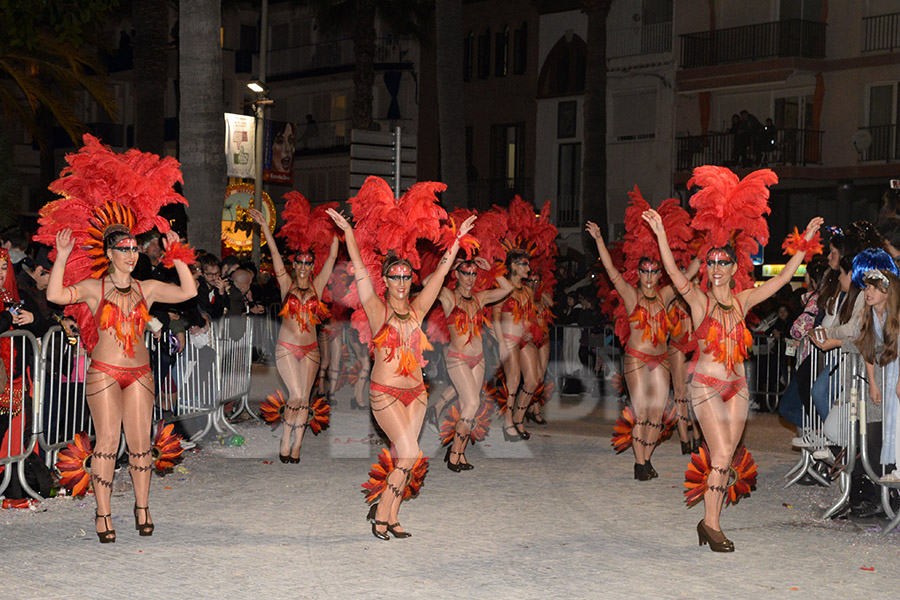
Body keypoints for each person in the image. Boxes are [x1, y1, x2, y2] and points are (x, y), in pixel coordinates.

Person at [643, 165, 822, 552]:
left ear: (733, 267)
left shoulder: (742, 301)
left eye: (725, 262)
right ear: (705, 267)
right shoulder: (698, 300)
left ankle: (709, 523)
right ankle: (712, 524)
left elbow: (780, 280)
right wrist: (660, 234)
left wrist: (804, 242)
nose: (719, 268)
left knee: (728, 456)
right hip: (706, 386)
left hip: (737, 386)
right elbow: (674, 274)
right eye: (712, 262)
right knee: (721, 453)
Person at [35, 134, 198, 544]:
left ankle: (142, 508)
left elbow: (189, 293)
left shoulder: (148, 288)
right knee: (107, 442)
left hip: (140, 373)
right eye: (122, 248)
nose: (130, 254)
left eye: (133, 248)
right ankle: (103, 514)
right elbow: (55, 296)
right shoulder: (93, 287)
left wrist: (177, 257)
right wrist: (59, 255)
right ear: (108, 253)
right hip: (105, 372)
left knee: (141, 443)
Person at [326, 184, 475, 540]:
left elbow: (439, 276)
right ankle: (380, 514)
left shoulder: (419, 307)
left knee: (405, 458)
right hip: (385, 393)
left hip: (417, 393)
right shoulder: (377, 311)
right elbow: (360, 270)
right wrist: (347, 233)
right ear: (387, 281)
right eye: (396, 277)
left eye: (408, 276)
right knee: (410, 452)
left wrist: (456, 243)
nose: (403, 282)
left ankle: (389, 516)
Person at [587, 190, 694, 479]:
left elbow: (690, 273)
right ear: (638, 273)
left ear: (660, 274)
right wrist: (598, 240)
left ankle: (645, 459)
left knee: (657, 416)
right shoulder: (631, 295)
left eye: (654, 271)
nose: (648, 276)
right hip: (636, 358)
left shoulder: (666, 295)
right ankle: (638, 463)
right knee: (642, 412)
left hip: (661, 359)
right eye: (644, 271)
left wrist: (711, 244)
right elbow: (610, 270)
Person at [249, 192, 339, 463]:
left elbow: (333, 258)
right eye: (298, 261)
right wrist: (265, 226)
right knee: (297, 395)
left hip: (311, 350)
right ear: (294, 264)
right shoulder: (286, 283)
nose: (302, 265)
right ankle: (286, 439)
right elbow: (275, 253)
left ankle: (297, 444)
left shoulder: (318, 285)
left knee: (304, 400)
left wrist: (338, 229)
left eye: (307, 262)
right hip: (287, 347)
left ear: (313, 265)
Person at [432, 256, 510, 471]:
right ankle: (455, 452)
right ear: (457, 274)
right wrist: (447, 265)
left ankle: (458, 451)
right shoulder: (449, 297)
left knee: (471, 408)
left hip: (479, 359)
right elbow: (427, 282)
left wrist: (492, 269)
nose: (469, 278)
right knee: (472, 404)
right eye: (465, 273)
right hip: (457, 358)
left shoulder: (480, 298)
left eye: (473, 273)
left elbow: (507, 288)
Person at [854, 269, 900, 483]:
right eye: (867, 287)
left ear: (887, 291)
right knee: (881, 427)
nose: (868, 291)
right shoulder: (868, 315)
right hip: (887, 371)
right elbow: (867, 349)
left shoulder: (897, 314)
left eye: (873, 287)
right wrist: (872, 383)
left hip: (896, 370)